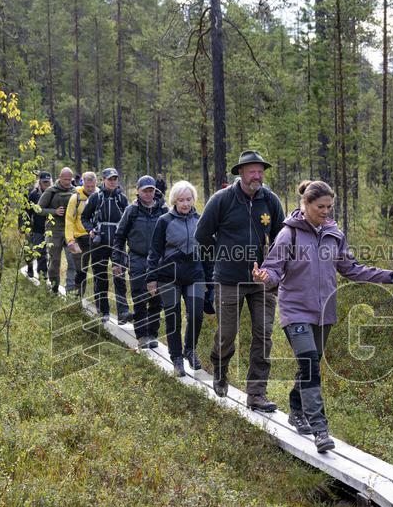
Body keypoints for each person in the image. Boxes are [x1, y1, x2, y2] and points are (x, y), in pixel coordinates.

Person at [252, 180, 393, 453]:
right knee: (310, 362)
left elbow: (351, 269)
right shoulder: (290, 235)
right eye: (320, 206)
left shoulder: (335, 234)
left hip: (324, 313)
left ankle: (296, 408)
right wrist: (264, 277)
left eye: (329, 207)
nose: (325, 211)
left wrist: (387, 276)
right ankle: (320, 429)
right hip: (295, 310)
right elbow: (273, 270)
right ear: (306, 204)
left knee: (309, 364)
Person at [195, 149, 285, 412]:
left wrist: (273, 269)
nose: (257, 176)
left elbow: (282, 238)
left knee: (263, 335)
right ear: (241, 173)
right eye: (252, 171)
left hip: (262, 281)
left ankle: (256, 393)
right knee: (227, 334)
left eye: (261, 171)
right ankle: (220, 368)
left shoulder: (270, 200)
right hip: (229, 279)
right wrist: (222, 257)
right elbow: (201, 235)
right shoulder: (221, 200)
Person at [146, 180, 212, 376]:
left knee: (197, 314)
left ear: (194, 199)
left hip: (195, 275)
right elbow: (154, 251)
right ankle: (176, 358)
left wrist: (210, 280)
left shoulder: (201, 220)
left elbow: (208, 252)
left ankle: (190, 349)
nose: (185, 203)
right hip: (169, 276)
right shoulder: (164, 220)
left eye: (188, 199)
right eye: (181, 200)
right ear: (174, 200)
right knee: (172, 317)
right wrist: (151, 278)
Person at [113, 175, 167, 348]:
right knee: (139, 297)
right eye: (145, 191)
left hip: (159, 261)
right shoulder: (132, 211)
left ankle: (152, 334)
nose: (148, 194)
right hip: (137, 258)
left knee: (157, 298)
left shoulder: (163, 210)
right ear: (138, 191)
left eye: (151, 190)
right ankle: (142, 335)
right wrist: (117, 262)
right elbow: (119, 237)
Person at [80, 167, 131, 323]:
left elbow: (129, 220)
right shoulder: (96, 197)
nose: (112, 181)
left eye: (115, 179)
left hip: (118, 243)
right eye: (109, 179)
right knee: (100, 277)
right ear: (103, 180)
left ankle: (123, 313)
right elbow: (84, 217)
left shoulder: (122, 199)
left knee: (119, 277)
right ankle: (103, 312)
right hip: (98, 243)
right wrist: (90, 231)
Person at [38, 167, 76, 294]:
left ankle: (70, 291)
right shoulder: (51, 191)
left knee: (73, 261)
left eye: (69, 179)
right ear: (59, 177)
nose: (67, 182)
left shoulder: (75, 191)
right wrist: (54, 212)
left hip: (71, 231)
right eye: (65, 179)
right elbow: (39, 209)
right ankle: (54, 289)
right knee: (54, 262)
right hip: (54, 231)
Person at [65, 171, 98, 298]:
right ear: (83, 183)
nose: (90, 189)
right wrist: (70, 240)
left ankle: (98, 300)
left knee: (97, 270)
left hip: (95, 237)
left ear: (96, 183)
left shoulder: (100, 195)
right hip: (80, 238)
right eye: (88, 186)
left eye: (92, 186)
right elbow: (69, 220)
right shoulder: (75, 198)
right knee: (81, 270)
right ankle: (78, 296)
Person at [21, 171, 52, 284]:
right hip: (36, 228)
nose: (46, 184)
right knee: (31, 250)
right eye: (44, 182)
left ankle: (44, 278)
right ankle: (30, 268)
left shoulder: (53, 193)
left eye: (48, 182)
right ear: (40, 182)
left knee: (45, 254)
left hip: (50, 229)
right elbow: (25, 212)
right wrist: (25, 227)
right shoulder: (33, 194)